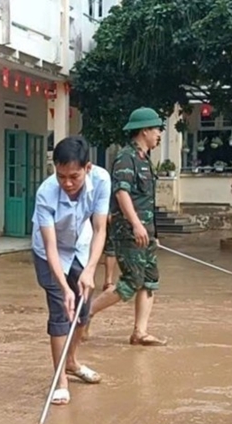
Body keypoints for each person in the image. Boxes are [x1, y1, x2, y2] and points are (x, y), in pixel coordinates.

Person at [31, 135, 110, 405]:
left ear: (87, 168)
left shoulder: (101, 180)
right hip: (49, 253)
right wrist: (64, 286)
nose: (66, 183)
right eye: (60, 175)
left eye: (73, 177)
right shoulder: (46, 193)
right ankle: (60, 380)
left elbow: (100, 229)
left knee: (83, 310)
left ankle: (72, 362)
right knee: (60, 310)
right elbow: (50, 246)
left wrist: (89, 270)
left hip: (81, 245)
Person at [86, 107, 167, 346]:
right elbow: (121, 192)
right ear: (144, 131)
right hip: (130, 232)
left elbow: (147, 200)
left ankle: (139, 332)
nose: (159, 134)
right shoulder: (126, 157)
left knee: (150, 279)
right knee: (132, 281)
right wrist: (136, 225)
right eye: (156, 129)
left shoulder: (145, 159)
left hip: (145, 232)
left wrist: (153, 234)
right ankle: (85, 314)